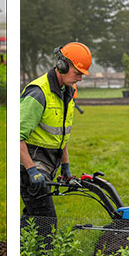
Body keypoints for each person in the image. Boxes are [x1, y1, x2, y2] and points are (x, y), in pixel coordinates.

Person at [20, 42, 91, 237]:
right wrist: (31, 170)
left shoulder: (66, 93)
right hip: (30, 167)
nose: (80, 78)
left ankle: (21, 253)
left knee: (33, 218)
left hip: (47, 167)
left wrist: (65, 166)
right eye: (78, 73)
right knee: (47, 222)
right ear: (62, 65)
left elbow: (61, 135)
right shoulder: (39, 93)